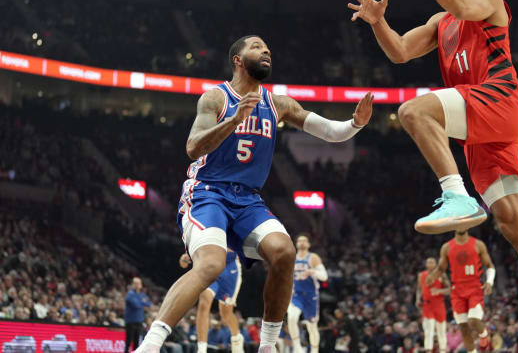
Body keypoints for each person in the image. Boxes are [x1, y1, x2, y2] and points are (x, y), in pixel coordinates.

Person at [347, 0, 518, 351]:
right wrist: (378, 23)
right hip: (480, 128)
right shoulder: (439, 23)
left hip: (499, 99)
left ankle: (455, 194)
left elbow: (461, 4)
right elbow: (400, 51)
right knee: (514, 224)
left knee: (413, 110)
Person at [134, 35, 374, 353]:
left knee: (284, 252)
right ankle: (150, 345)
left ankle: (268, 346)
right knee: (210, 264)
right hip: (208, 192)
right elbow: (193, 148)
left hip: (248, 199)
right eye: (257, 47)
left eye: (268, 49)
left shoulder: (279, 104)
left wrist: (355, 124)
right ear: (237, 58)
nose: (266, 52)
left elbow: (330, 131)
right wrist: (234, 121)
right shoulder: (215, 98)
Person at [426, 230, 494, 353]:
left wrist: (489, 281)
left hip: (474, 287)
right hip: (457, 290)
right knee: (463, 328)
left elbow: (489, 265)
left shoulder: (478, 244)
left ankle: (484, 335)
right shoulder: (446, 247)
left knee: (473, 320)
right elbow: (441, 268)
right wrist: (433, 276)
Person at [179, 250, 245, 353]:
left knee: (226, 314)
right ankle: (201, 349)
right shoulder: (199, 233)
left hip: (229, 269)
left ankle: (236, 338)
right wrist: (187, 256)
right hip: (209, 267)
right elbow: (183, 263)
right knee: (204, 302)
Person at [287, 234, 327, 353]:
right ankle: (297, 347)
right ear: (296, 244)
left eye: (304, 241)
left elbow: (324, 276)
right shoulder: (291, 257)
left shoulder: (313, 257)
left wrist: (312, 271)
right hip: (296, 294)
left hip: (311, 296)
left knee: (312, 326)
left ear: (308, 244)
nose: (302, 242)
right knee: (292, 317)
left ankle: (315, 350)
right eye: (300, 241)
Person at [416, 257, 450, 353]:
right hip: (427, 306)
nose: (430, 264)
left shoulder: (442, 275)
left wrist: (439, 291)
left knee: (441, 331)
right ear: (426, 265)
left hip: (439, 305)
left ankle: (443, 350)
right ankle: (428, 351)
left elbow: (450, 289)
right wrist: (418, 299)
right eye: (428, 262)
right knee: (428, 331)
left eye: (432, 262)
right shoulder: (421, 275)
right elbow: (419, 289)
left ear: (436, 264)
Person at [125, 277, 152, 353]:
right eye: (135, 283)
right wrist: (142, 302)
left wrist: (141, 302)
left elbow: (148, 303)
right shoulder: (130, 294)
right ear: (132, 284)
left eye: (139, 283)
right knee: (128, 342)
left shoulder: (142, 294)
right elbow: (135, 305)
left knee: (137, 342)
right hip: (131, 321)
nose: (137, 285)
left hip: (139, 321)